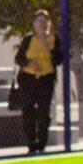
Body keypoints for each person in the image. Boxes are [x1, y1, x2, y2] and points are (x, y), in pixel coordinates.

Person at [15, 9, 64, 154]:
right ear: (34, 24)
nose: (42, 24)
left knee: (44, 112)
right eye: (39, 21)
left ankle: (42, 144)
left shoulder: (54, 39)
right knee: (28, 111)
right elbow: (18, 59)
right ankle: (31, 142)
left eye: (45, 21)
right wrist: (29, 64)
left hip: (46, 79)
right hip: (28, 79)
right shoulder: (28, 39)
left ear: (49, 23)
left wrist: (52, 49)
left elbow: (59, 60)